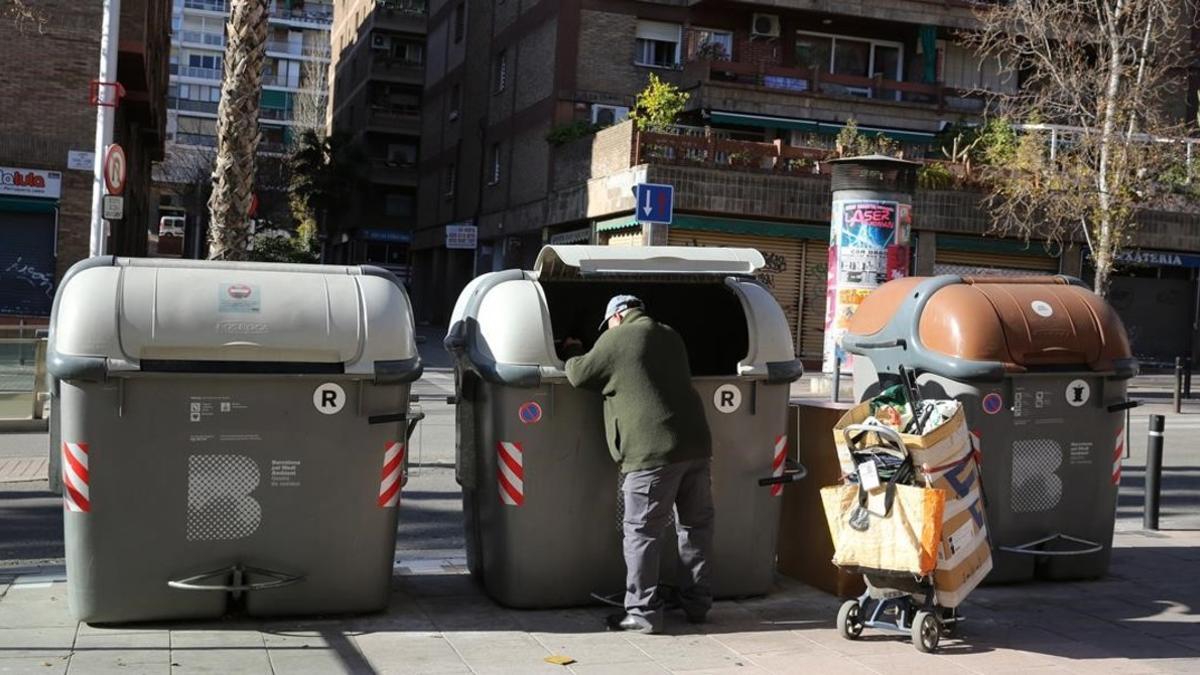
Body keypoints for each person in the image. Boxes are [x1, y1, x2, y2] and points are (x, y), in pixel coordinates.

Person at [562, 294, 715, 634]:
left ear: (616, 316)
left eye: (607, 325)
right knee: (694, 527)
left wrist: (573, 348)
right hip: (695, 446)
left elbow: (578, 374)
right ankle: (697, 605)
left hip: (652, 452)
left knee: (642, 533)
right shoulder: (670, 334)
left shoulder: (618, 336)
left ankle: (642, 613)